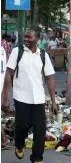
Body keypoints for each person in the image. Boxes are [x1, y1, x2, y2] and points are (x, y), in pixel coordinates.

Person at [1, 28, 57, 163]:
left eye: (29, 37)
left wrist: (53, 101)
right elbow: (8, 74)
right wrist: (6, 97)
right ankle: (19, 145)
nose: (25, 39)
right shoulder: (17, 52)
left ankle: (37, 158)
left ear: (37, 39)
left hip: (38, 98)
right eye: (25, 37)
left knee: (40, 130)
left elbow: (49, 78)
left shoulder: (43, 55)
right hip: (21, 97)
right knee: (22, 126)